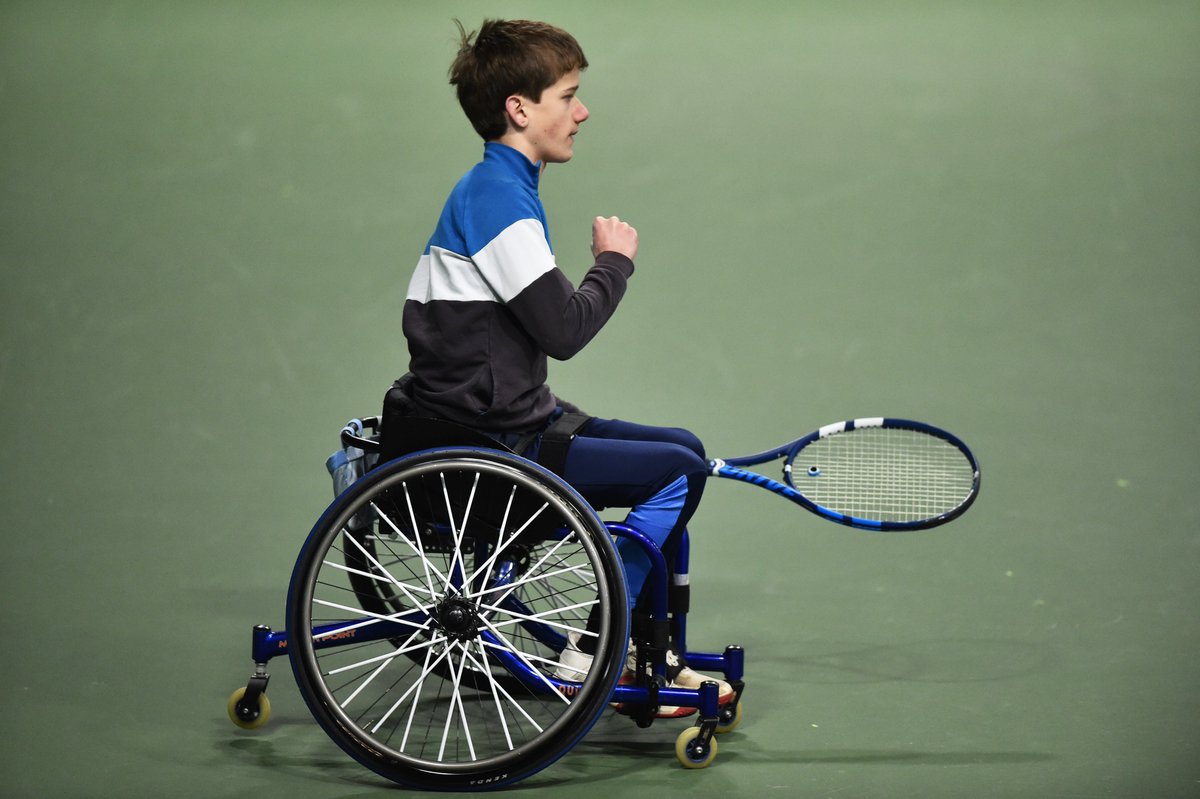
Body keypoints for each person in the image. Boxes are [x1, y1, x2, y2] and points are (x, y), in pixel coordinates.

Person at [402, 18, 732, 716]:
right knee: (680, 471)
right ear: (520, 109)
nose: (581, 112)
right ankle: (601, 646)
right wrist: (614, 262)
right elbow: (564, 328)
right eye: (568, 95)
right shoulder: (496, 198)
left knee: (686, 450)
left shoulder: (502, 187)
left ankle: (650, 646)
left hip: (503, 419)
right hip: (489, 444)